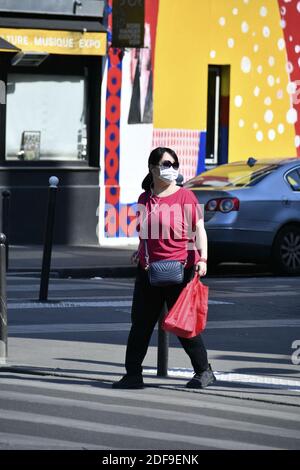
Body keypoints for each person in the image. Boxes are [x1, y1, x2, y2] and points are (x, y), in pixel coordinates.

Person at [112, 147, 216, 389]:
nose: (171, 169)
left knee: (182, 323)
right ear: (152, 168)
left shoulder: (185, 197)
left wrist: (203, 259)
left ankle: (204, 372)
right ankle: (133, 375)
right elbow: (146, 231)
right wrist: (141, 249)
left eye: (174, 164)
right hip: (148, 269)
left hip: (180, 268)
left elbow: (199, 229)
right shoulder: (144, 199)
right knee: (140, 324)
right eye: (166, 164)